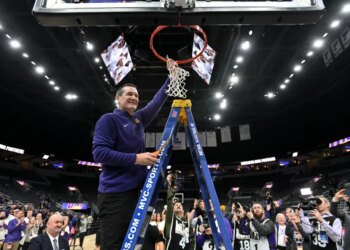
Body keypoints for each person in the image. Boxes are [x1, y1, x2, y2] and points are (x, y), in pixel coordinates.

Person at [93, 78, 170, 250]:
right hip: (114, 196)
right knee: (114, 246)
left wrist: (171, 78)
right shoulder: (108, 119)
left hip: (135, 193)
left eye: (136, 95)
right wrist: (136, 158)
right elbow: (99, 153)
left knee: (133, 245)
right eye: (129, 94)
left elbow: (156, 102)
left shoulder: (138, 119)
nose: (134, 97)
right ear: (118, 98)